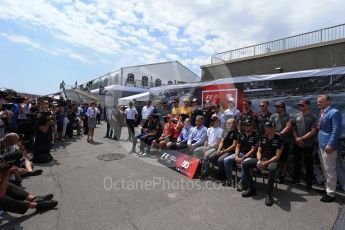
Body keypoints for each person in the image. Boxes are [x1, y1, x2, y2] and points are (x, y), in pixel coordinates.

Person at [241, 120, 283, 207]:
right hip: (262, 159)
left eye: (268, 127)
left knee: (272, 169)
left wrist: (266, 163)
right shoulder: (262, 137)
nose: (266, 129)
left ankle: (269, 194)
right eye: (265, 127)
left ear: (273, 128)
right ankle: (251, 188)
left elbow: (277, 156)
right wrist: (259, 160)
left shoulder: (279, 138)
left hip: (272, 161)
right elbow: (259, 151)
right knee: (245, 164)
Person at [317, 95, 342, 202]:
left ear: (328, 101)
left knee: (330, 169)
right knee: (325, 169)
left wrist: (330, 144)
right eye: (317, 102)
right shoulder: (322, 112)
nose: (318, 103)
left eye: (320, 101)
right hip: (321, 144)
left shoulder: (334, 112)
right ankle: (328, 189)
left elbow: (336, 130)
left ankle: (331, 194)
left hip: (328, 146)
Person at [223, 119, 258, 190]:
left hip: (251, 156)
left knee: (243, 163)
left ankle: (242, 183)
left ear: (252, 126)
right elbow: (238, 146)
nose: (246, 127)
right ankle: (230, 179)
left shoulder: (255, 135)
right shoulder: (242, 135)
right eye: (244, 125)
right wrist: (236, 155)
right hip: (241, 153)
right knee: (226, 160)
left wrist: (243, 158)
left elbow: (253, 150)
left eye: (248, 125)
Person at [291, 100, 318, 190]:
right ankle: (296, 180)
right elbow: (293, 128)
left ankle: (309, 183)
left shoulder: (313, 117)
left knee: (308, 165)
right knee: (296, 163)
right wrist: (296, 139)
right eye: (299, 105)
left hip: (308, 145)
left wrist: (301, 138)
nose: (300, 106)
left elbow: (313, 131)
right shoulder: (296, 116)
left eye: (302, 105)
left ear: (308, 105)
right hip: (297, 144)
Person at [270, 101, 293, 182]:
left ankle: (282, 174)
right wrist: (273, 134)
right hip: (275, 140)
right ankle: (275, 173)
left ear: (283, 107)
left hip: (284, 141)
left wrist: (279, 134)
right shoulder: (273, 116)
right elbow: (270, 126)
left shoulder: (289, 116)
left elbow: (288, 127)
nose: (276, 108)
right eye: (276, 107)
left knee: (283, 159)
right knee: (275, 158)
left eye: (278, 107)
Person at [197, 115, 224, 179]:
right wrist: (205, 146)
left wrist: (208, 148)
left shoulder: (220, 130)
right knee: (196, 151)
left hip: (214, 148)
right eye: (211, 120)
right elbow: (206, 139)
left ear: (217, 121)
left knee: (206, 154)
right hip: (207, 146)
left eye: (213, 120)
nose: (212, 122)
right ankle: (196, 168)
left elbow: (218, 143)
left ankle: (205, 172)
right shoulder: (209, 129)